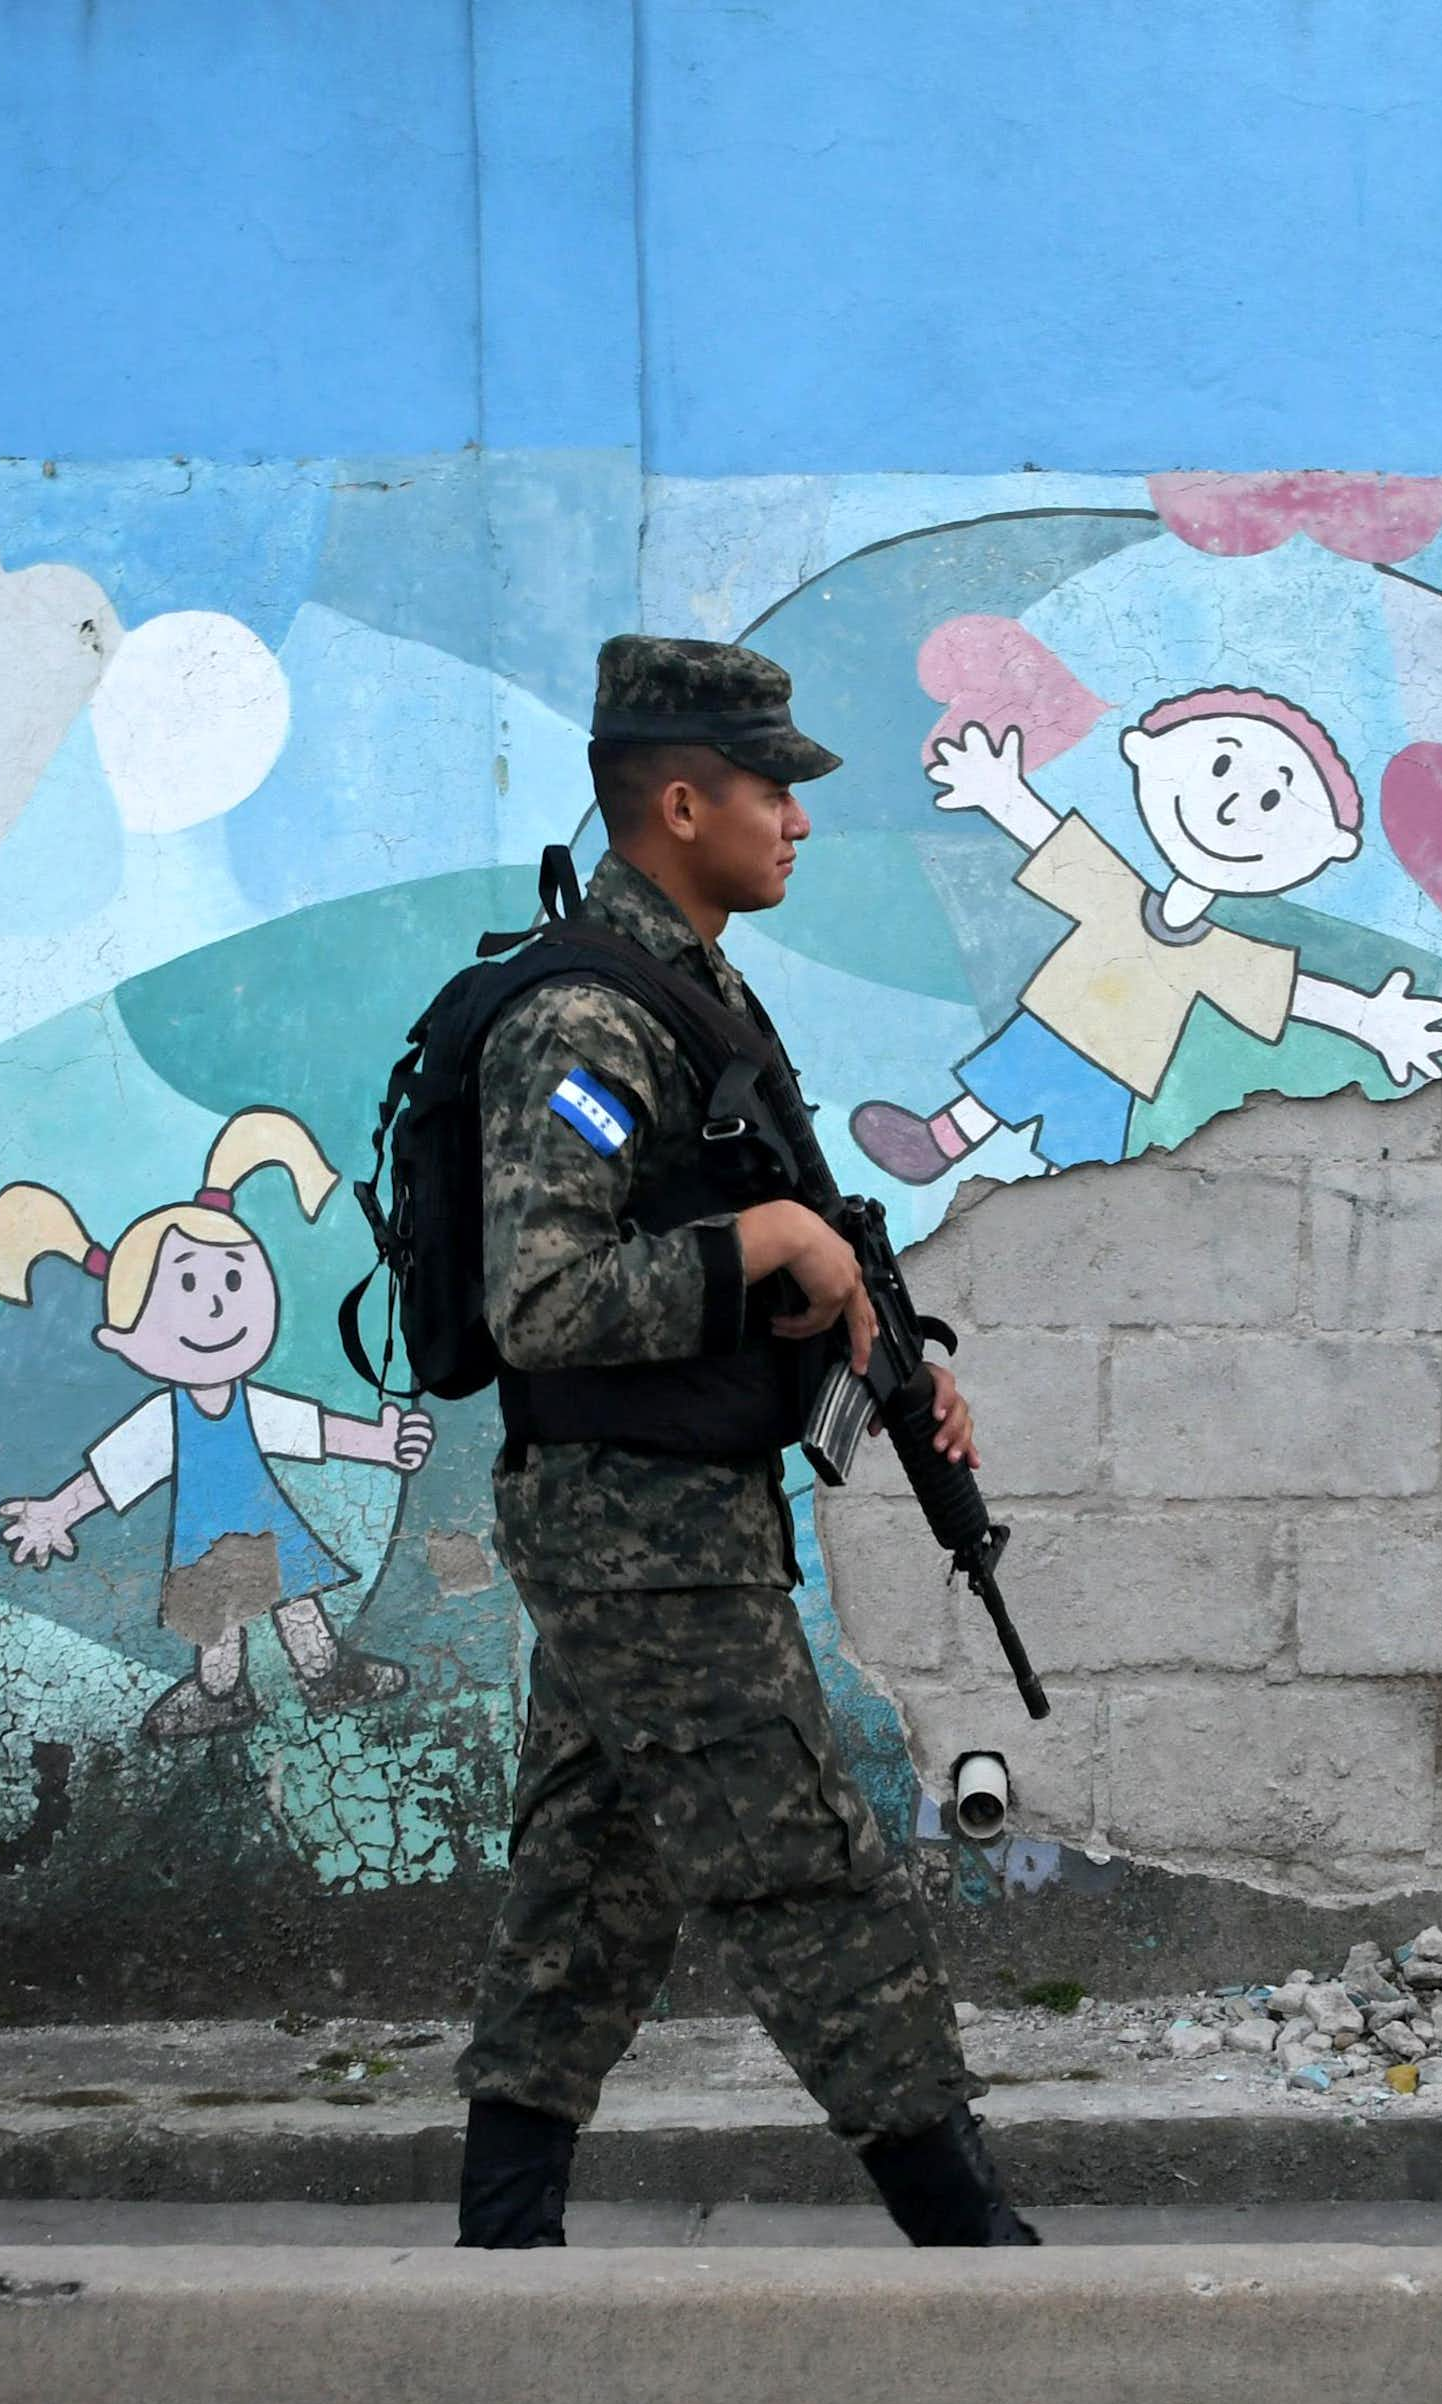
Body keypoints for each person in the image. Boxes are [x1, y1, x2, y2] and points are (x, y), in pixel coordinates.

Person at [451, 634, 1037, 2249]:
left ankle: (501, 2243)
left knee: (593, 1880)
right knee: (812, 1872)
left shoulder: (693, 992)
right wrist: (774, 1242)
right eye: (774, 788)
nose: (796, 819)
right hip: (639, 1531)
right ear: (683, 800)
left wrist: (885, 1345)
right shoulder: (583, 1019)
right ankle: (974, 2247)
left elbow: (756, 1226)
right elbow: (545, 1300)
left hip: (668, 1516)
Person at [851, 690, 1442, 1181]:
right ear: (1145, 752)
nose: (1233, 809)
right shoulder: (1116, 891)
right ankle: (938, 1142)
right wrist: (1002, 793)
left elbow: (1291, 992)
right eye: (1220, 765)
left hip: (1118, 1070)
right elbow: (1050, 840)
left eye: (1273, 800)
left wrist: (1368, 1019)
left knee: (1079, 1154)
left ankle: (1063, 1204)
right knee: (996, 1090)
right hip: (1048, 1027)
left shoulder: (1220, 954)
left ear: (1327, 849)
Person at [0, 1108, 434, 1742]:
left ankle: (327, 1678)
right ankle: (221, 1697)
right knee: (217, 1625)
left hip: (267, 1532)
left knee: (298, 1606)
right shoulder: (164, 1420)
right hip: (206, 1545)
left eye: (233, 1277)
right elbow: (111, 1474)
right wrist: (58, 1511)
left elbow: (318, 1432)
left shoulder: (255, 1406)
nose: (217, 1303)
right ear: (122, 1339)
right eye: (187, 1284)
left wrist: (383, 1444)